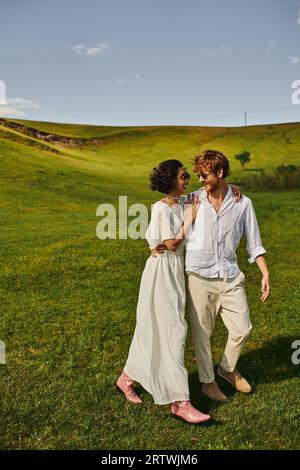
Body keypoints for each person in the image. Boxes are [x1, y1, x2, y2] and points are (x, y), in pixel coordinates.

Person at [117, 159, 210, 424]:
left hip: (175, 271)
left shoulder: (184, 201)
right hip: (162, 273)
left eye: (187, 175)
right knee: (174, 330)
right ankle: (180, 403)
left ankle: (126, 379)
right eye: (183, 176)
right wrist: (190, 219)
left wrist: (235, 188)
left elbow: (214, 187)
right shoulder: (161, 208)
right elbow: (170, 243)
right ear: (170, 180)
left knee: (156, 329)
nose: (187, 179)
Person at [185, 150, 270, 402]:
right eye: (198, 175)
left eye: (205, 175)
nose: (200, 180)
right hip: (199, 276)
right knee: (202, 335)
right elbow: (167, 203)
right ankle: (207, 383)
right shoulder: (192, 200)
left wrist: (264, 272)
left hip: (231, 277)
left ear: (220, 173)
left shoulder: (243, 203)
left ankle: (226, 368)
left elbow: (254, 244)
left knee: (243, 328)